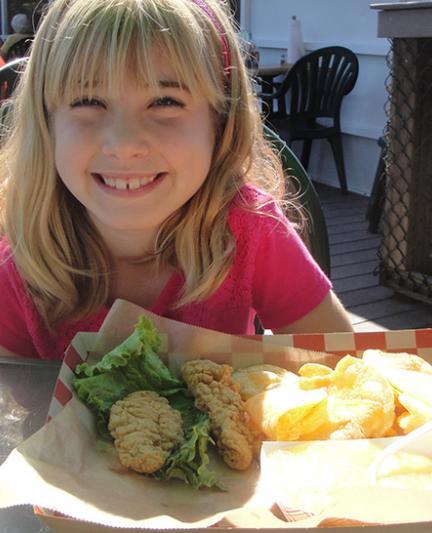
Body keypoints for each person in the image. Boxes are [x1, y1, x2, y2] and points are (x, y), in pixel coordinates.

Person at [0, 0, 353, 360]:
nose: (124, 144)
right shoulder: (21, 265)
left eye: (165, 101)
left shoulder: (251, 231)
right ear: (47, 126)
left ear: (220, 124)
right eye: (88, 100)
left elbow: (344, 364)